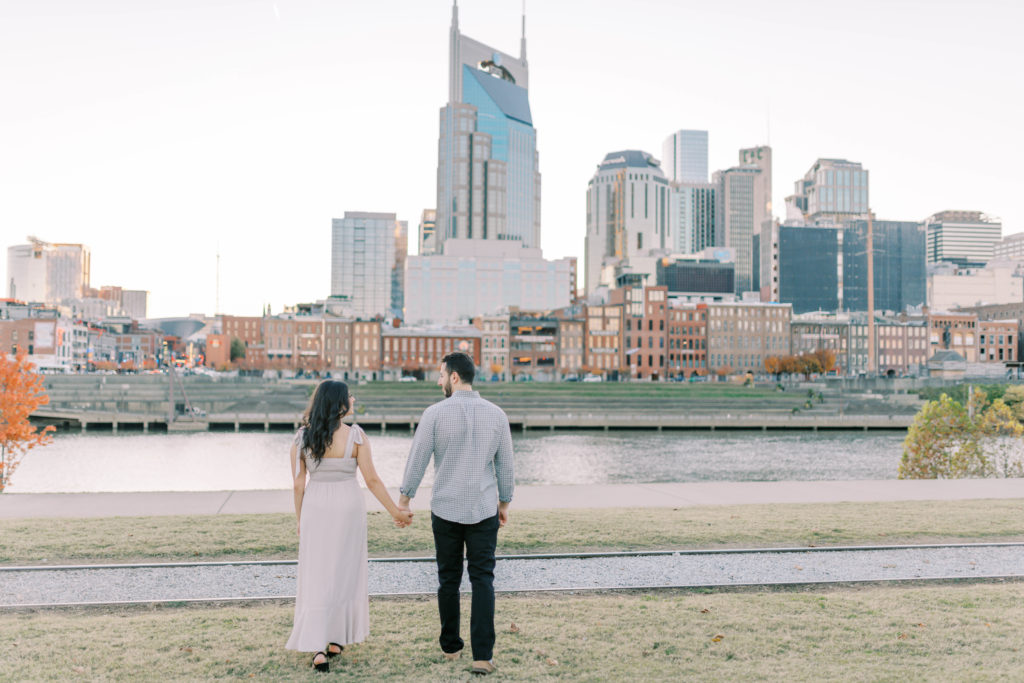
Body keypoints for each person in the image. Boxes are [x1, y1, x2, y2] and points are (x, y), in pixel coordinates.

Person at [398, 352, 514, 676]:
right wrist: (504, 504)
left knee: (448, 579)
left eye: (440, 375)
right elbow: (505, 465)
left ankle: (451, 647)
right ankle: (482, 656)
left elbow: (417, 459)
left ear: (453, 377)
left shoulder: (434, 414)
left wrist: (405, 500)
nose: (437, 381)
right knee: (483, 580)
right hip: (483, 509)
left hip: (446, 509)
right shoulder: (497, 415)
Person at [286, 380, 412, 673]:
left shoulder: (301, 438)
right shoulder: (356, 436)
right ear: (340, 404)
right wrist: (397, 511)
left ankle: (320, 647)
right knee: (343, 570)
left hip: (315, 507)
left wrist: (300, 519)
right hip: (347, 506)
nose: (353, 399)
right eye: (349, 396)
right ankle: (334, 638)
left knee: (317, 573)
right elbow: (372, 480)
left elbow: (297, 484)